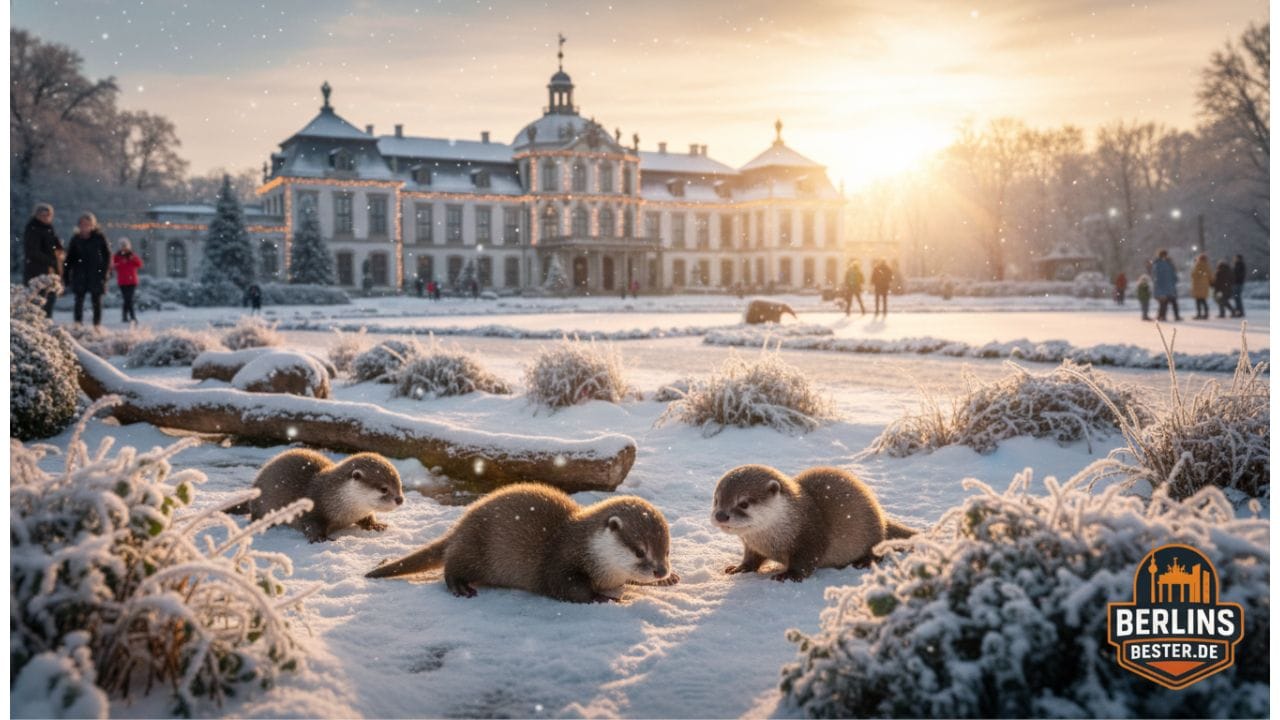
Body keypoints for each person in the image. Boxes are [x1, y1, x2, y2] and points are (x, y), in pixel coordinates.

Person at [63, 212, 112, 328]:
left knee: (96, 301)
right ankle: (77, 324)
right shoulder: (75, 239)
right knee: (79, 300)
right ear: (79, 225)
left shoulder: (99, 238)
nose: (85, 227)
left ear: (93, 225)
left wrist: (104, 272)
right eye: (82, 224)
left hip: (96, 273)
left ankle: (96, 325)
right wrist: (66, 275)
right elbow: (69, 258)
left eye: (88, 224)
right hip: (79, 273)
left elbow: (107, 256)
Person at [22, 203, 64, 318]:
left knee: (49, 301)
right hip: (36, 272)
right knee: (37, 303)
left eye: (48, 215)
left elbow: (56, 246)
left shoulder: (49, 228)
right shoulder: (32, 228)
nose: (45, 217)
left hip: (49, 271)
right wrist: (51, 261)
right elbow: (32, 252)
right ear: (37, 215)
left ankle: (46, 325)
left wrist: (59, 252)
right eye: (42, 215)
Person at [111, 237, 144, 323]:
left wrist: (132, 259)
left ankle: (129, 317)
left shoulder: (132, 255)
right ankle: (129, 316)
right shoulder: (117, 256)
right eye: (122, 245)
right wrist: (121, 263)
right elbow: (113, 266)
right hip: (122, 281)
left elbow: (139, 264)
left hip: (132, 281)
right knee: (127, 299)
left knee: (128, 299)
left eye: (125, 245)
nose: (124, 247)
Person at [1151, 249, 1181, 322]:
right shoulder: (1167, 263)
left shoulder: (1161, 263)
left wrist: (1174, 280)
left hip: (1167, 286)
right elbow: (1156, 276)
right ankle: (1164, 316)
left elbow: (1155, 276)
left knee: (1166, 302)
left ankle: (1163, 316)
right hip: (1166, 286)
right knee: (1167, 302)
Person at [1190, 254, 1211, 320]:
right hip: (1205, 286)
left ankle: (1199, 314)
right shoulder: (1207, 266)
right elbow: (1211, 276)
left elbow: (1194, 275)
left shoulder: (1198, 265)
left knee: (1198, 301)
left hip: (1198, 286)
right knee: (1203, 300)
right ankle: (1206, 314)